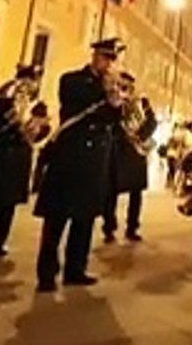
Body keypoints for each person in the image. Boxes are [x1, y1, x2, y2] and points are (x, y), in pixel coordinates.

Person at [33, 38, 125, 293]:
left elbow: (113, 122)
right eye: (103, 58)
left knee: (84, 220)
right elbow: (75, 104)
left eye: (110, 59)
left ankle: (76, 269)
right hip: (69, 157)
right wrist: (105, 92)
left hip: (94, 162)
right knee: (56, 220)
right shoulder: (72, 80)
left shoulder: (112, 89)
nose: (106, 64)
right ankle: (47, 274)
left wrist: (116, 101)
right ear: (95, 57)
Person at [0, 65, 49, 258]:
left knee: (9, 205)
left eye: (31, 82)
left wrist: (36, 129)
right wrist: (7, 113)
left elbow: (42, 131)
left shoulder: (36, 106)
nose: (29, 86)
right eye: (27, 81)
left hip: (18, 157)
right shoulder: (1, 101)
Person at [104, 75, 157, 244]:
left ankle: (132, 227)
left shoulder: (142, 102)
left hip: (136, 151)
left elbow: (152, 122)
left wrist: (140, 136)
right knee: (111, 191)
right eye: (122, 84)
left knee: (136, 193)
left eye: (128, 85)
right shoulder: (114, 100)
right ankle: (109, 227)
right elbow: (110, 121)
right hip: (119, 149)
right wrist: (123, 135)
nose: (125, 88)